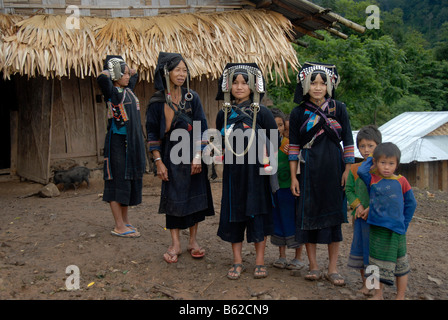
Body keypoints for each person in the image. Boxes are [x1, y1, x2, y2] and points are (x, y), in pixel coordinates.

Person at [289, 62, 355, 286]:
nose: (318, 87)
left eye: (322, 83)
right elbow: (294, 147)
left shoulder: (339, 108)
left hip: (334, 170)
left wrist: (348, 169)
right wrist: (293, 177)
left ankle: (333, 268)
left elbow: (348, 141)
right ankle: (314, 266)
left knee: (334, 218)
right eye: (313, 83)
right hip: (308, 170)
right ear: (306, 85)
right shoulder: (298, 113)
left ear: (330, 85)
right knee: (308, 218)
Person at [146, 52, 214, 263]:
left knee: (195, 199)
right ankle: (175, 243)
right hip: (170, 155)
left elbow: (202, 128)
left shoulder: (192, 97)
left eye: (185, 70)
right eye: (178, 70)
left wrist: (197, 157)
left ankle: (193, 241)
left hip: (192, 153)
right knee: (173, 200)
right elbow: (152, 134)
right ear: (166, 72)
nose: (182, 74)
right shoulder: (157, 102)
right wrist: (158, 162)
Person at [215, 63, 278, 280]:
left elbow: (274, 142)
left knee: (258, 214)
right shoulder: (224, 113)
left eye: (244, 83)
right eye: (235, 82)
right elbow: (221, 143)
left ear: (253, 86)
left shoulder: (263, 112)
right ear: (228, 86)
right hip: (234, 175)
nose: (239, 87)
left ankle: (260, 260)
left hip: (257, 174)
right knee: (235, 215)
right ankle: (237, 260)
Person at [358, 142, 417, 300]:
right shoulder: (373, 179)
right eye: (382, 162)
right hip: (376, 228)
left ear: (397, 164)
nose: (386, 167)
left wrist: (404, 224)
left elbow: (411, 203)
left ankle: (400, 295)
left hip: (396, 231)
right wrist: (372, 156)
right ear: (376, 163)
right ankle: (377, 294)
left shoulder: (401, 181)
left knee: (400, 264)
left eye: (391, 163)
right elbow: (361, 170)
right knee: (373, 262)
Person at [97, 55, 146, 238]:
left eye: (127, 73)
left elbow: (135, 76)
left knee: (128, 182)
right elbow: (102, 78)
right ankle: (118, 226)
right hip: (117, 144)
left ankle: (125, 222)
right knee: (117, 182)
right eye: (123, 73)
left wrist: (130, 71)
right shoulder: (112, 92)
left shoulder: (128, 91)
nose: (127, 76)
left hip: (130, 144)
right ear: (115, 74)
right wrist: (111, 69)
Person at [346, 125, 382, 295]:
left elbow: (383, 192)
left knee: (373, 251)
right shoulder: (354, 168)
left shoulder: (381, 169)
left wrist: (369, 207)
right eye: (362, 146)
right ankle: (366, 284)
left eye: (370, 146)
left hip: (375, 218)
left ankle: (374, 286)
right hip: (359, 217)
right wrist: (358, 205)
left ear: (378, 146)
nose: (366, 150)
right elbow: (349, 190)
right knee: (361, 250)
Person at [270, 108, 305, 271]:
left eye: (280, 125)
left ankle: (298, 257)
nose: (278, 129)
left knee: (295, 220)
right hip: (276, 189)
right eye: (274, 125)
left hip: (292, 189)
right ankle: (282, 256)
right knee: (278, 220)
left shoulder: (290, 145)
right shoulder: (269, 144)